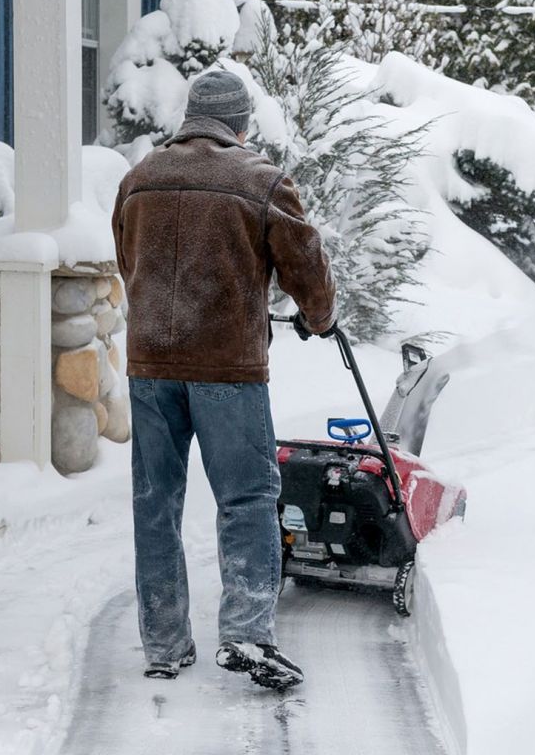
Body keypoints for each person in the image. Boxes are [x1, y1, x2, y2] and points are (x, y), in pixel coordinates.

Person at [110, 70, 337, 691]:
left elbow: (127, 260)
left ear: (190, 119)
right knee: (247, 498)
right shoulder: (260, 181)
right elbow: (306, 264)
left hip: (151, 365)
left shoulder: (139, 179)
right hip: (227, 370)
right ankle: (246, 633)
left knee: (155, 502)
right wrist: (321, 316)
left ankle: (163, 643)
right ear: (240, 124)